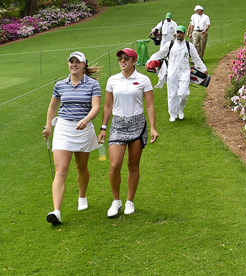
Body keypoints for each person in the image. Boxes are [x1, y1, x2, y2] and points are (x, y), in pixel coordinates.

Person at [97, 48, 159, 218]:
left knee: (133, 165)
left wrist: (153, 127)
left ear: (133, 61)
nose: (122, 61)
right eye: (120, 59)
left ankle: (130, 200)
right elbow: (108, 106)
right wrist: (103, 127)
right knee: (114, 164)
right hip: (117, 125)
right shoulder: (112, 80)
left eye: (126, 58)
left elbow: (150, 105)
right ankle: (116, 201)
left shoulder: (144, 80)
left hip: (137, 124)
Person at [42, 51, 101, 225]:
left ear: (84, 65)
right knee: (61, 170)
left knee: (81, 166)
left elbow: (96, 107)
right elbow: (52, 107)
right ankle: (56, 211)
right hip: (64, 128)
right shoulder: (60, 85)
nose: (74, 64)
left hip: (83, 128)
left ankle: (82, 196)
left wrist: (86, 119)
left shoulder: (93, 84)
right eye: (71, 61)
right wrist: (48, 126)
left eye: (77, 62)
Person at [148, 25, 207, 122]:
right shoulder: (170, 44)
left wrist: (203, 68)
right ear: (175, 33)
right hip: (172, 72)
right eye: (178, 32)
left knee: (183, 93)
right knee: (172, 94)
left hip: (184, 72)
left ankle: (180, 109)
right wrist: (150, 61)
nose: (179, 34)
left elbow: (196, 58)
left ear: (184, 33)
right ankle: (172, 114)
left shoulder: (189, 45)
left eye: (181, 32)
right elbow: (159, 54)